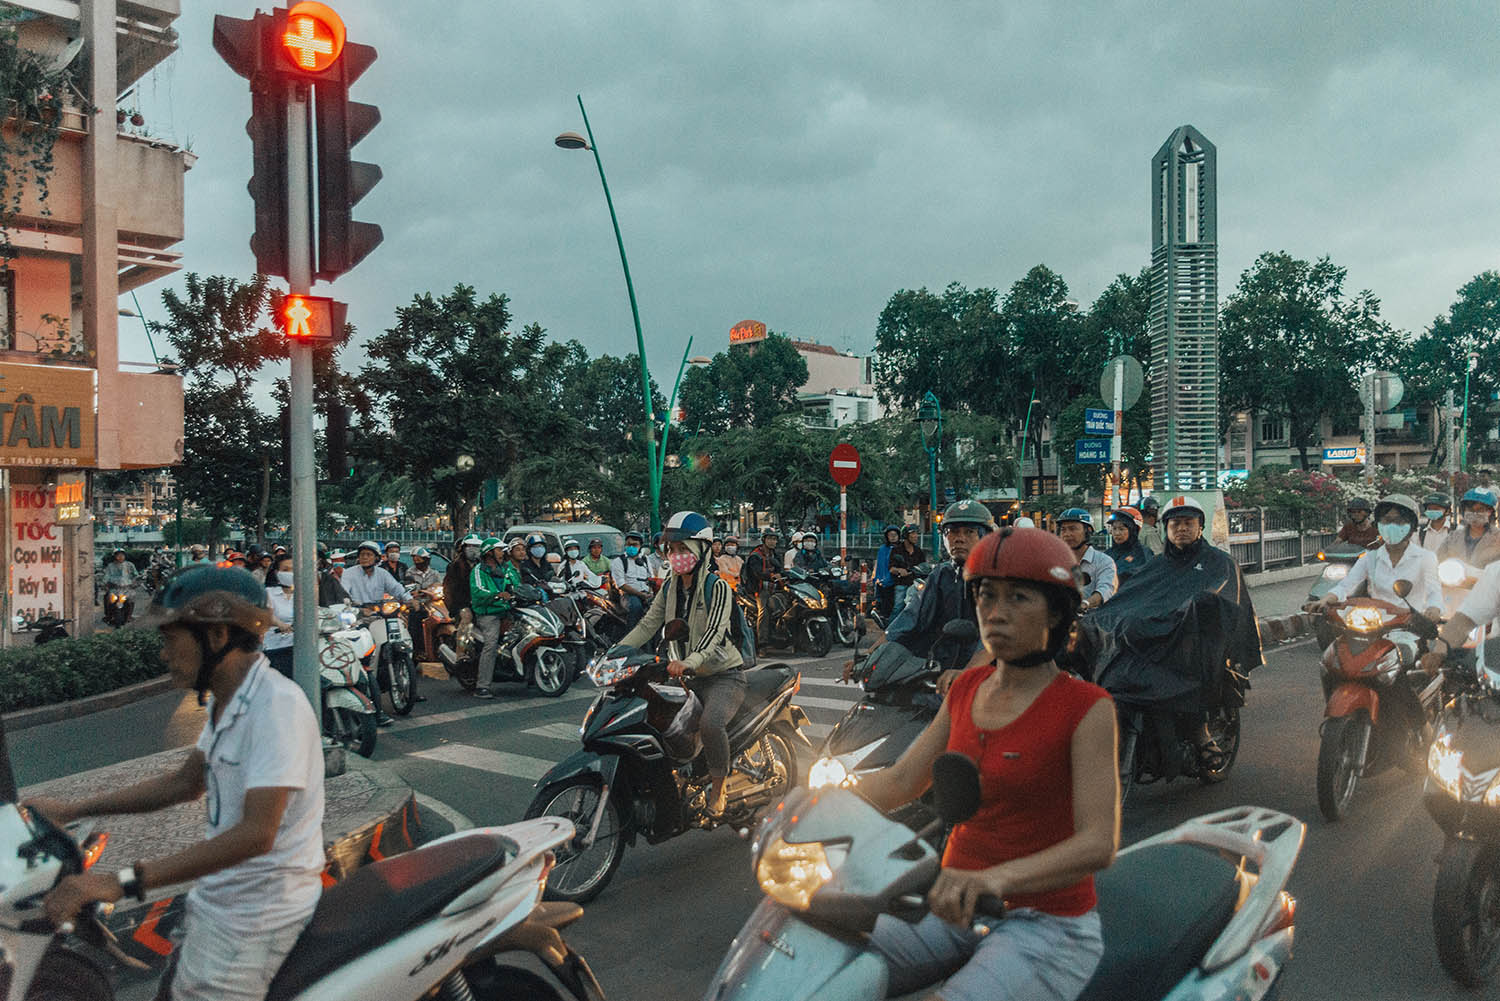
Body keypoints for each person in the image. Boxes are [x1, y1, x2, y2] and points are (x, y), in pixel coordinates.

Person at [28, 567, 324, 1001]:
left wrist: (120, 882)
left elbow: (255, 835)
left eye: (171, 640)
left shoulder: (276, 709)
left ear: (218, 636)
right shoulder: (232, 702)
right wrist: (74, 808)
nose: (164, 655)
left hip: (257, 919)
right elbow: (184, 783)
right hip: (220, 903)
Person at [855, 527, 1116, 1001]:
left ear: (1056, 611)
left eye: (1018, 597)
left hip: (1047, 925)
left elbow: (1099, 843)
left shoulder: (1087, 707)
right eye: (986, 596)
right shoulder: (966, 689)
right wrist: (814, 798)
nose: (995, 613)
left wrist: (994, 878)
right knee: (822, 949)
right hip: (953, 907)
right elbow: (901, 780)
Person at [617, 511, 746, 817]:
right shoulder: (670, 587)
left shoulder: (719, 588)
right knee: (655, 719)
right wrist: (616, 653)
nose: (677, 556)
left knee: (710, 724)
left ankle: (719, 788)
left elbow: (714, 633)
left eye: (683, 549)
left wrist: (689, 661)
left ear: (702, 549)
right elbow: (648, 624)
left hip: (723, 677)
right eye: (672, 550)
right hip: (686, 677)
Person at [877, 499, 995, 672]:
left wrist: (966, 676)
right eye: (952, 532)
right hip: (943, 668)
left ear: (985, 537)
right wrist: (871, 655)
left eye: (969, 532)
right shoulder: (942, 574)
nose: (959, 539)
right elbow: (911, 617)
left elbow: (996, 636)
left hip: (990, 674)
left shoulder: (997, 577)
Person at [1310, 494, 1441, 620]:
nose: (1392, 526)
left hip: (1410, 626)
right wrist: (1326, 599)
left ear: (1412, 526)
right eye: (1387, 520)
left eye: (1399, 521)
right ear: (1379, 524)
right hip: (1375, 623)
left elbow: (1434, 592)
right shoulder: (1370, 557)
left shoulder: (1426, 558)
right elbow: (1345, 586)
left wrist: (1434, 608)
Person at [469, 537, 520, 699]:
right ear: (489, 552)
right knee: (491, 644)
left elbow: (517, 584)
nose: (502, 553)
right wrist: (497, 595)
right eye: (499, 550)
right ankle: (482, 686)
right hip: (488, 613)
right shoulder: (478, 570)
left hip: (507, 610)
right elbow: (478, 591)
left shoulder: (506, 568)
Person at [1056, 508, 1117, 609]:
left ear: (1087, 531)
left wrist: (1085, 604)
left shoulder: (1104, 561)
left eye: (1073, 529)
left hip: (1093, 619)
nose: (1067, 534)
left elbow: (1105, 590)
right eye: (1063, 529)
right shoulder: (1055, 560)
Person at [1437, 487, 1500, 569]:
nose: (1474, 513)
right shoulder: (1453, 537)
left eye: (1480, 509)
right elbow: (1439, 560)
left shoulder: (1498, 538)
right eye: (1470, 509)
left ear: (1490, 512)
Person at [741, 529, 783, 648]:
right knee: (764, 612)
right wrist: (771, 576)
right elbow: (757, 573)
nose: (772, 541)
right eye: (770, 538)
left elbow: (781, 571)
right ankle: (762, 643)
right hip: (759, 589)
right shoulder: (755, 555)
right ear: (764, 540)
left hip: (775, 587)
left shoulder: (776, 555)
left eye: (774, 539)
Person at [611, 531, 654, 628]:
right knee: (636, 608)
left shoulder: (645, 560)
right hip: (628, 595)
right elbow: (621, 585)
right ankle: (631, 635)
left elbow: (651, 578)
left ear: (640, 546)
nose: (631, 547)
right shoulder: (619, 561)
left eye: (634, 545)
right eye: (628, 544)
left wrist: (650, 592)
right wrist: (640, 595)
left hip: (646, 593)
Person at [264, 553, 296, 679]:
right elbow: (267, 615)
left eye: (293, 569)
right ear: (277, 573)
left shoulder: (305, 593)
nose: (291, 573)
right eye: (285, 570)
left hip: (301, 644)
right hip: (276, 646)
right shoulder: (269, 593)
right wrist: (280, 624)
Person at [1105, 507, 1152, 587]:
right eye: (1114, 529)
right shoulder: (1108, 554)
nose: (1117, 533)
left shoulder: (1143, 553)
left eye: (1121, 529)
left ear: (1133, 530)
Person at [889, 524, 927, 612]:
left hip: (916, 584)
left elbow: (924, 566)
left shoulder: (919, 551)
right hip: (902, 584)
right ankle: (891, 625)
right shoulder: (897, 550)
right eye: (913, 533)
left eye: (916, 533)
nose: (916, 536)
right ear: (906, 535)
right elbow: (891, 568)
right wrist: (899, 571)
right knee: (898, 607)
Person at [874, 524, 901, 619]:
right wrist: (877, 579)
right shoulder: (882, 549)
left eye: (895, 535)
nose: (893, 537)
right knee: (885, 604)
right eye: (890, 535)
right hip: (884, 581)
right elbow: (880, 565)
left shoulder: (901, 548)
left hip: (897, 580)